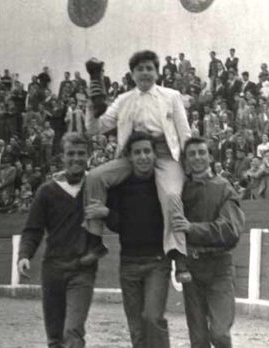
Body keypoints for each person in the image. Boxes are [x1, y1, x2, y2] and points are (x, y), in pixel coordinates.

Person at [82, 50, 192, 281]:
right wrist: (92, 105)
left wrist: (189, 164)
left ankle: (178, 255)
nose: (145, 73)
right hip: (132, 155)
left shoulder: (171, 96)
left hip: (163, 155)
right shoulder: (123, 100)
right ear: (132, 74)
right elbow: (95, 128)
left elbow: (185, 133)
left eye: (149, 68)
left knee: (172, 195)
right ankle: (94, 239)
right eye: (140, 69)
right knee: (94, 177)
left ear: (157, 72)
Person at [86, 132, 173, 348]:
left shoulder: (164, 184)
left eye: (147, 151)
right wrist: (107, 212)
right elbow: (117, 225)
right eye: (138, 152)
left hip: (157, 261)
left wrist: (106, 212)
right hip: (129, 264)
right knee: (136, 328)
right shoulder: (119, 186)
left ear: (154, 154)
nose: (143, 157)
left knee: (153, 318)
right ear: (129, 157)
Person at [17, 132, 99, 348]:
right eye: (70, 154)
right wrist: (24, 255)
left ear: (89, 156)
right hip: (53, 268)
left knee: (73, 330)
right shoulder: (46, 191)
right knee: (54, 337)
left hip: (83, 268)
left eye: (81, 154)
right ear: (62, 157)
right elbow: (33, 229)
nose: (76, 159)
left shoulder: (96, 187)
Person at [172, 137, 245, 348]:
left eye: (202, 152)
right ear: (185, 160)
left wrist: (191, 228)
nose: (197, 157)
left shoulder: (224, 187)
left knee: (220, 334)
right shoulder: (180, 191)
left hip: (219, 267)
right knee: (199, 339)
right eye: (192, 154)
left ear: (210, 157)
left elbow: (230, 230)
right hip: (191, 269)